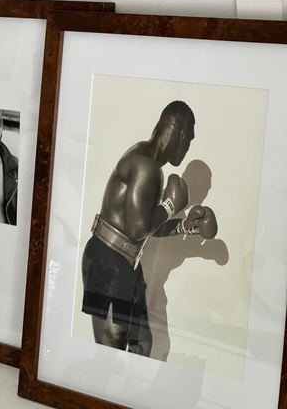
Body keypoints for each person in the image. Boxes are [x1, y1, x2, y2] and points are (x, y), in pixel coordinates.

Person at [81, 101, 217, 356]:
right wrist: (169, 205)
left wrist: (184, 227)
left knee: (142, 345)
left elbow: (146, 224)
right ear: (183, 134)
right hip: (109, 262)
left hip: (122, 261)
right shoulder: (146, 165)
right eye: (189, 142)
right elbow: (138, 229)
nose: (187, 149)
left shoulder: (150, 163)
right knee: (112, 347)